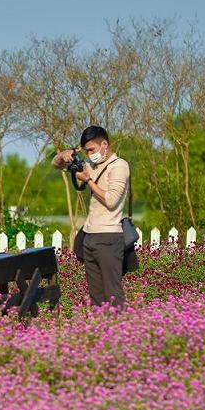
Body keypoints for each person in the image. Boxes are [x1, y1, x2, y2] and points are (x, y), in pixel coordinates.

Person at [53, 125, 130, 309]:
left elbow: (111, 200)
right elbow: (56, 164)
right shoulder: (90, 165)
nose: (89, 154)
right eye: (86, 151)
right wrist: (64, 154)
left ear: (104, 144)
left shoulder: (120, 166)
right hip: (90, 236)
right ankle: (99, 332)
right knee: (95, 296)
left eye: (91, 150)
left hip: (109, 237)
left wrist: (88, 180)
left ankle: (119, 332)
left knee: (112, 293)